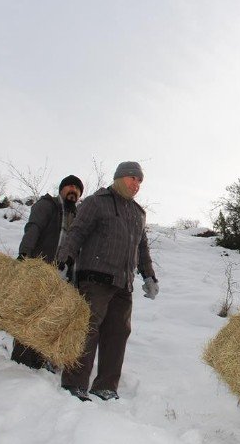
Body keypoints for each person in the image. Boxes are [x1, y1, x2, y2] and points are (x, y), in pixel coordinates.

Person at [56, 161, 158, 402]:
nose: (137, 184)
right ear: (120, 178)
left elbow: (141, 249)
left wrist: (149, 275)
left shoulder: (138, 213)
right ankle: (75, 382)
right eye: (133, 178)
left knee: (118, 333)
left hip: (124, 283)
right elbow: (77, 232)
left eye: (140, 181)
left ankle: (105, 386)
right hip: (95, 278)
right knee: (87, 329)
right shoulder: (96, 202)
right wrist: (64, 260)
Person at [11, 174, 84, 370]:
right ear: (61, 189)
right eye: (69, 186)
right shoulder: (48, 205)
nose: (73, 191)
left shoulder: (79, 217)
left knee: (50, 319)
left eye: (77, 189)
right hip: (41, 271)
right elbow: (33, 228)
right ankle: (22, 363)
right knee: (30, 315)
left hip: (64, 278)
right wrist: (24, 253)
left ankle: (41, 360)